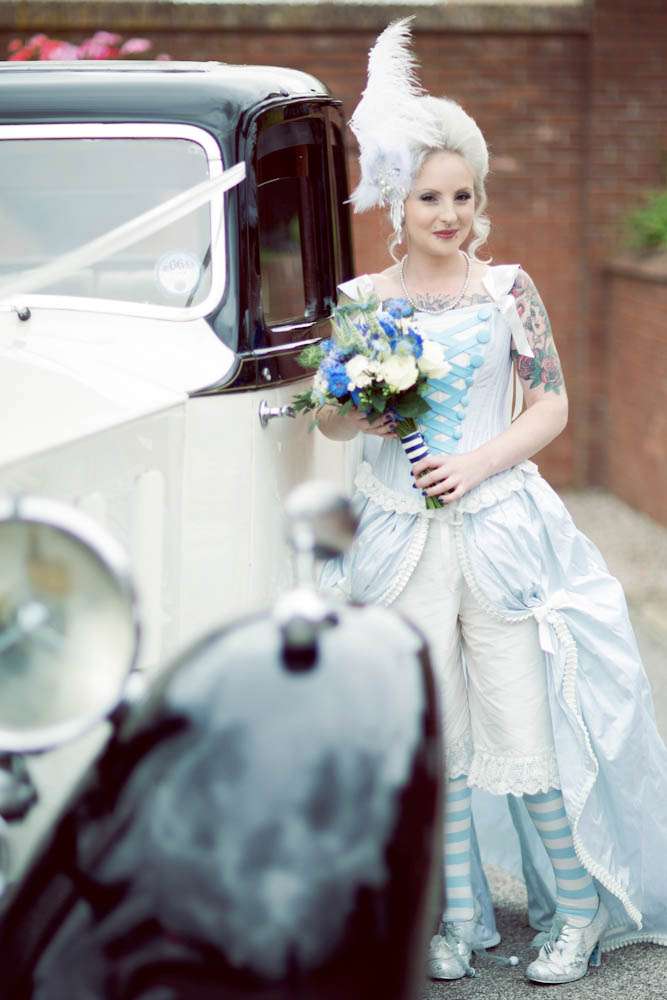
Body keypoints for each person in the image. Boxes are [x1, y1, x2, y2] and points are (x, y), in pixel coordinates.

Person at [317, 18, 667, 985]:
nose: (449, 212)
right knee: (436, 729)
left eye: (462, 194)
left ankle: (576, 912)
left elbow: (549, 403)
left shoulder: (508, 289)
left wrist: (474, 466)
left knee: (521, 719)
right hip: (396, 538)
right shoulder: (360, 300)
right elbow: (332, 423)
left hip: (499, 531)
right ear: (397, 202)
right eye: (429, 196)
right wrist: (359, 410)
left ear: (478, 199)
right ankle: (457, 917)